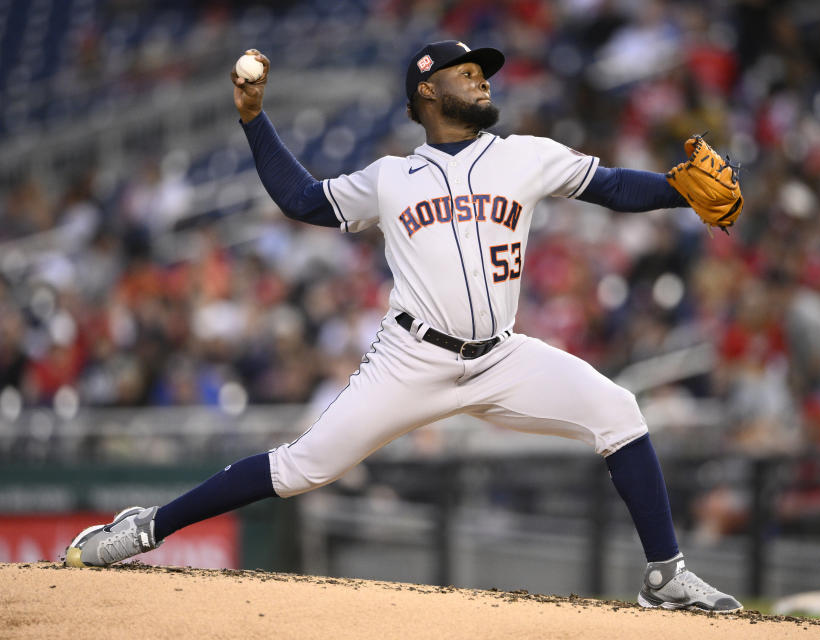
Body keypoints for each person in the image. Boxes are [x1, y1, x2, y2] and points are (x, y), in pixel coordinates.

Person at [65, 41, 742, 612]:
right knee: (304, 467)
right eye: (465, 70)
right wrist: (253, 120)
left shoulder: (525, 155)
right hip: (410, 359)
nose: (481, 77)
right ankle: (149, 526)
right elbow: (303, 200)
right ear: (425, 91)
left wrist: (679, 191)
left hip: (502, 357)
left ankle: (665, 576)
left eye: (483, 71)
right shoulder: (390, 177)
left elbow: (615, 186)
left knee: (618, 409)